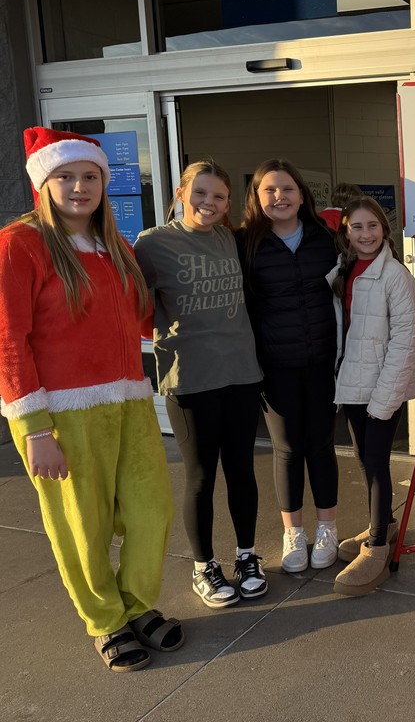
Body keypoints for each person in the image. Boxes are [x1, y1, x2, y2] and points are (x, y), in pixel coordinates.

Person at [0, 127, 179, 671]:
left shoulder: (115, 245)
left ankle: (135, 604)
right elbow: (8, 339)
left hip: (127, 400)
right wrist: (35, 430)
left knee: (151, 512)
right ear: (43, 182)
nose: (80, 187)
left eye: (90, 177)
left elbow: (138, 317)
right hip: (59, 411)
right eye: (67, 176)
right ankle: (105, 620)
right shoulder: (18, 243)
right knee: (84, 525)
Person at [134, 160, 266, 608]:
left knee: (242, 471)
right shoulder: (152, 244)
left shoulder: (231, 239)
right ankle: (203, 566)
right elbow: (128, 303)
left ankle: (247, 556)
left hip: (242, 374)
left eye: (219, 197)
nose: (209, 203)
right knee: (200, 477)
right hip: (189, 380)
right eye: (201, 193)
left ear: (229, 204)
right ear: (180, 192)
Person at [237, 159, 341, 574]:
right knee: (287, 449)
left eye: (287, 189)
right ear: (257, 197)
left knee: (320, 445)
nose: (279, 197)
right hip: (274, 366)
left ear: (302, 195)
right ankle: (293, 533)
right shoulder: (244, 243)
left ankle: (328, 528)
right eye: (269, 190)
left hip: (321, 361)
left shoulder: (326, 239)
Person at [329, 196, 415, 597]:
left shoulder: (395, 276)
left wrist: (386, 398)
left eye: (373, 226)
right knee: (365, 459)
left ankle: (378, 546)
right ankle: (381, 523)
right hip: (352, 384)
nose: (366, 235)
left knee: (379, 463)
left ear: (385, 230)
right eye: (357, 228)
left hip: (382, 387)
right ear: (346, 232)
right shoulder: (342, 270)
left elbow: (405, 342)